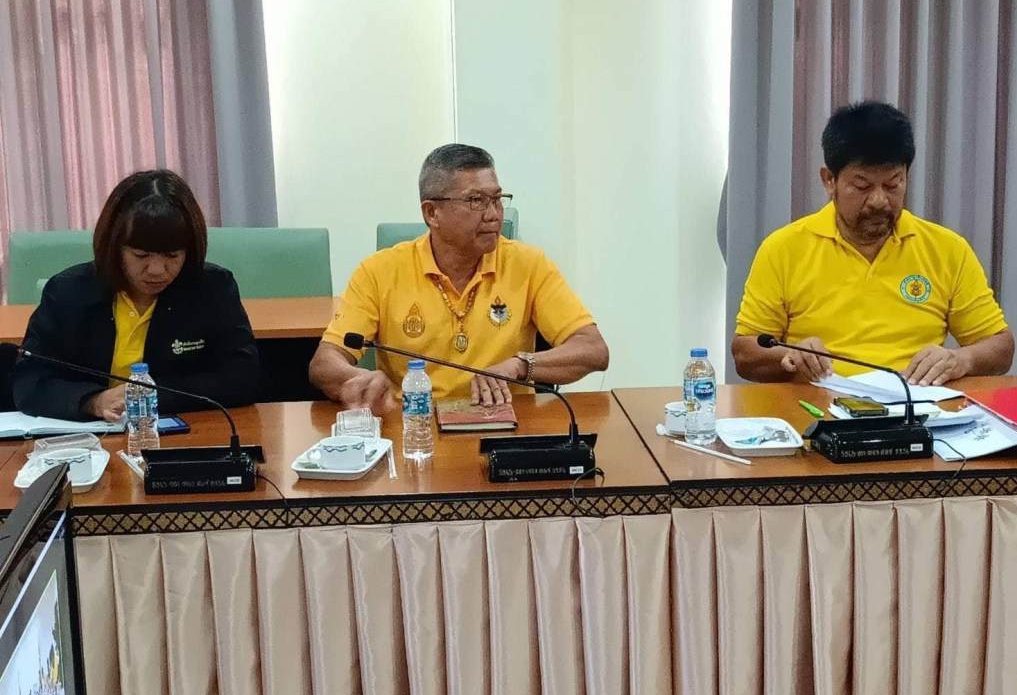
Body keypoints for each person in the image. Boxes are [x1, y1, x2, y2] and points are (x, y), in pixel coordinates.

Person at [309, 144, 609, 414]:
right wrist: (357, 379)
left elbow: (593, 350)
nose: (494, 215)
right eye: (476, 201)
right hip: (415, 427)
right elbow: (325, 362)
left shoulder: (528, 264)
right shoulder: (379, 271)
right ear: (432, 213)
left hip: (505, 426)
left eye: (497, 199)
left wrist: (520, 365)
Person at [731, 101, 1014, 386]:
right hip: (817, 403)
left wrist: (960, 360)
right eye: (862, 186)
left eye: (893, 185)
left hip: (914, 403)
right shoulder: (784, 248)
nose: (879, 201)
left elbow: (1000, 347)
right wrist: (790, 355)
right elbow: (745, 353)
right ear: (829, 180)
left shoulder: (947, 249)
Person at [13, 169, 260, 421]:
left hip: (175, 430)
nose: (157, 270)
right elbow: (29, 381)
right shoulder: (67, 292)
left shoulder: (213, 288)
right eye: (141, 255)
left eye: (173, 255)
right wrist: (92, 401)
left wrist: (150, 395)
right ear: (114, 247)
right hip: (90, 433)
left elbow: (243, 378)